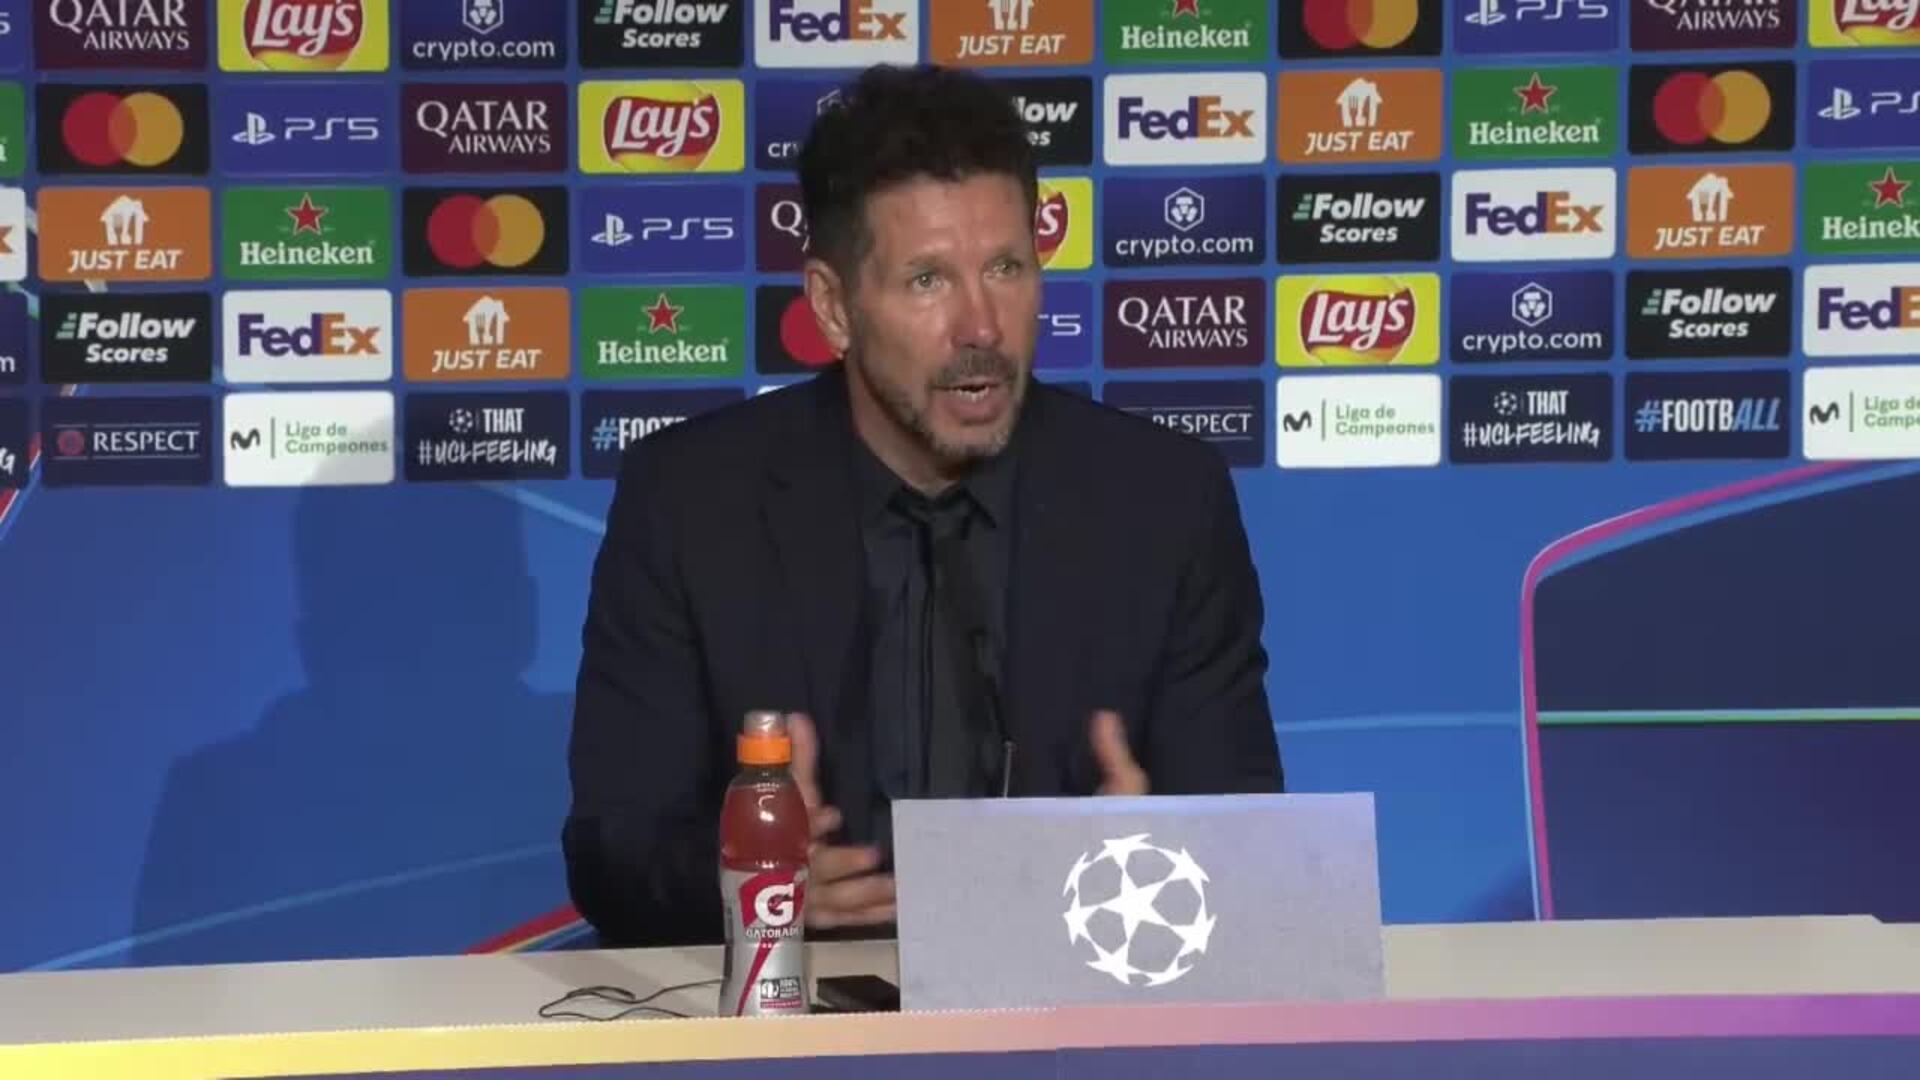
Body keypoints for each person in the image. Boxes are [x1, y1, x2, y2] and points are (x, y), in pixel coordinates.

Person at [564, 63, 1283, 949]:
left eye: (1007, 268)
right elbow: (612, 846)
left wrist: (1166, 853)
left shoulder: (1163, 501)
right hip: (798, 1010)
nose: (982, 326)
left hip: (1073, 997)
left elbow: (1251, 839)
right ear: (834, 307)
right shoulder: (691, 503)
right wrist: (751, 881)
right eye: (928, 281)